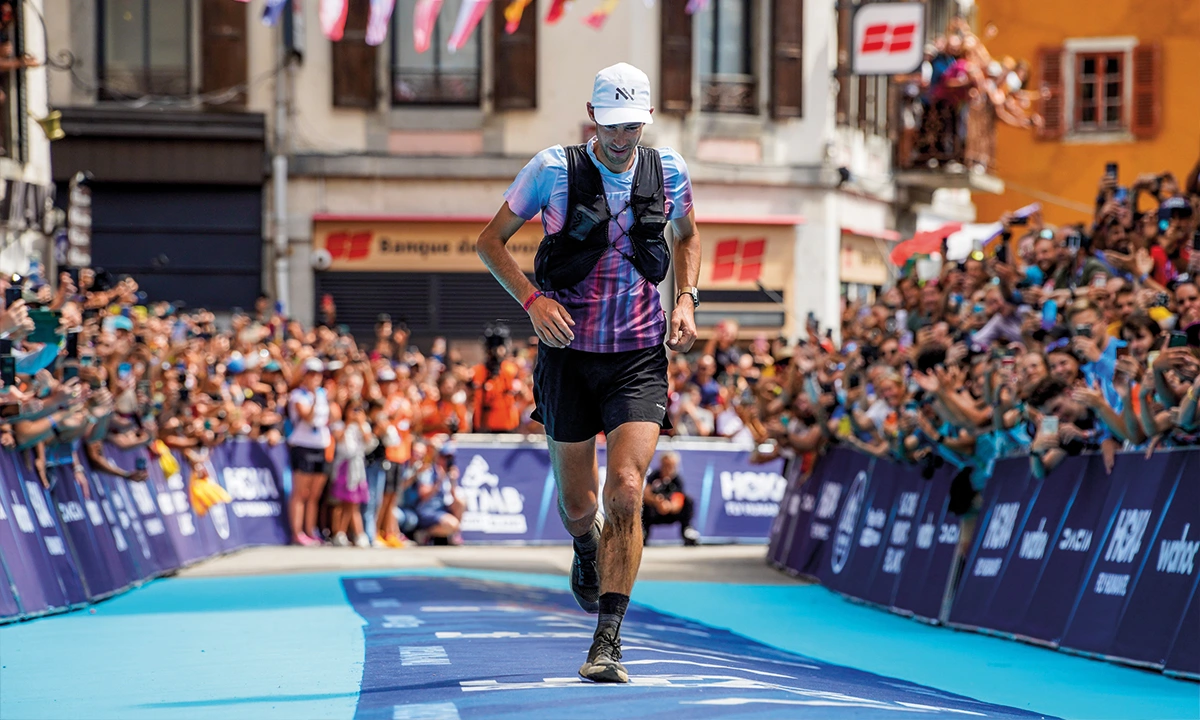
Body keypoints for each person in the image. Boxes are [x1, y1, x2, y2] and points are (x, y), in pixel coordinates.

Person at [475, 62, 699, 684]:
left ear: (646, 121)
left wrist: (686, 299)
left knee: (627, 486)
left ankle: (608, 641)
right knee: (580, 508)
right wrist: (532, 300)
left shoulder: (671, 171)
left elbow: (686, 237)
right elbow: (490, 242)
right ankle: (583, 545)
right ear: (592, 118)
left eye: (633, 124)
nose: (623, 136)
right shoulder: (551, 168)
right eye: (611, 123)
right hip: (567, 357)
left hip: (637, 358)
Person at [287, 358, 332, 545]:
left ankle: (310, 530)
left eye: (318, 374)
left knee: (314, 494)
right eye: (311, 374)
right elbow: (308, 418)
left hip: (320, 445)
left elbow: (330, 418)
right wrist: (314, 399)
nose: (315, 378)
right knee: (300, 492)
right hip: (303, 446)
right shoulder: (298, 395)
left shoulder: (324, 394)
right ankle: (297, 532)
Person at [641, 451, 699, 546]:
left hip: (671, 511)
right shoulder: (654, 476)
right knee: (642, 504)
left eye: (671, 465)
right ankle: (643, 532)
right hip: (654, 511)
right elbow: (646, 494)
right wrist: (656, 501)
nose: (668, 468)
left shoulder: (677, 480)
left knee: (688, 500)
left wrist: (669, 506)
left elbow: (678, 499)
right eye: (665, 465)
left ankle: (687, 530)